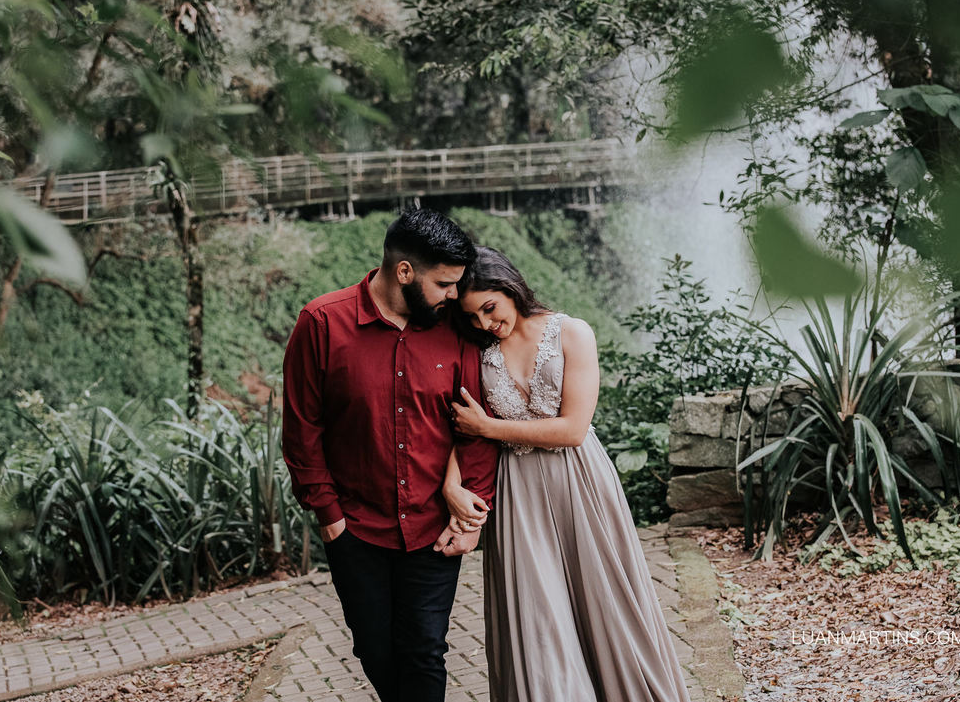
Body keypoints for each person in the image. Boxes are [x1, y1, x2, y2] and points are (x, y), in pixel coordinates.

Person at [443, 245, 692, 702]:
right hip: (517, 491)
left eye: (489, 308)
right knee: (537, 620)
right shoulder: (476, 350)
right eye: (472, 316)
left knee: (606, 604)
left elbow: (573, 430)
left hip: (580, 482)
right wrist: (450, 482)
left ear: (510, 286)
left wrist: (488, 426)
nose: (484, 323)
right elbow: (462, 427)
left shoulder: (572, 333)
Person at [281, 208, 500, 702]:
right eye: (444, 284)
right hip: (356, 529)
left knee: (424, 650)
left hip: (433, 528)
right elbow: (301, 429)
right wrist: (330, 517)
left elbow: (476, 429)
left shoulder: (455, 331)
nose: (452, 296)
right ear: (405, 272)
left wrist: (470, 514)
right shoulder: (322, 323)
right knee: (375, 649)